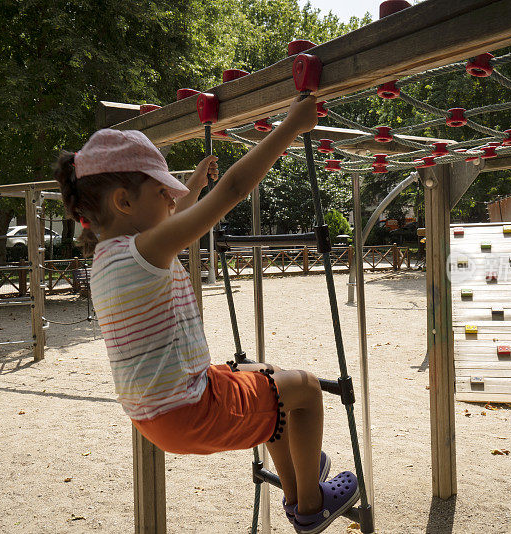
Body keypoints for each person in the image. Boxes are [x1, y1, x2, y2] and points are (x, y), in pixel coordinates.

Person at [53, 95, 359, 533]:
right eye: (163, 193)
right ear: (123, 201)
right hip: (192, 408)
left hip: (158, 411)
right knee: (307, 390)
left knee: (261, 372)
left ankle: (298, 480)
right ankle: (310, 505)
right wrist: (292, 126)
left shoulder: (107, 257)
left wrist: (188, 187)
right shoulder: (147, 250)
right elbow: (232, 191)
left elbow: (176, 217)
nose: (173, 203)